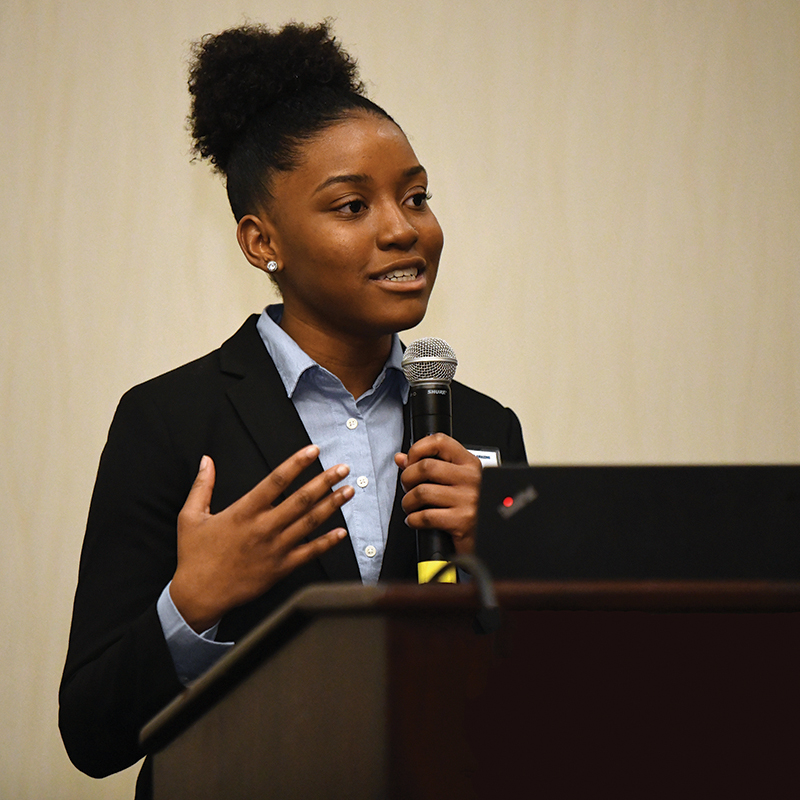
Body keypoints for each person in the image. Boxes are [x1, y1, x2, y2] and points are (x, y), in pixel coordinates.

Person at [59, 20, 526, 798]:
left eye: (416, 196)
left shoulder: (482, 426)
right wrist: (192, 604)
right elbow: (91, 733)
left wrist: (506, 563)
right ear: (260, 240)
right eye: (352, 206)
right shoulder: (167, 420)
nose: (403, 228)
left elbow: (531, 700)